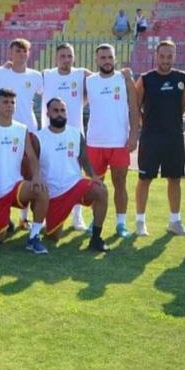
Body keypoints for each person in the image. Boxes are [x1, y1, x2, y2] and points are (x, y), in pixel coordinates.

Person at [0, 89, 49, 254]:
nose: (9, 106)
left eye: (12, 102)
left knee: (42, 191)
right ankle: (2, 220)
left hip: (16, 185)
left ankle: (34, 237)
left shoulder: (21, 129)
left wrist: (36, 177)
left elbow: (32, 157)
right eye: (5, 102)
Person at [134, 40, 185, 236]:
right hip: (151, 138)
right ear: (156, 56)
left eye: (170, 56)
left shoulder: (182, 78)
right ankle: (140, 222)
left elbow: (183, 106)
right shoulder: (146, 78)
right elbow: (134, 106)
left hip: (174, 137)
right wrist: (144, 123)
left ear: (175, 57)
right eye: (162, 56)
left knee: (174, 179)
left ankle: (175, 222)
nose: (166, 60)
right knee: (144, 179)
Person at [37, 98, 110, 251]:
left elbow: (84, 159)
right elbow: (32, 166)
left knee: (101, 191)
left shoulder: (76, 134)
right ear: (47, 113)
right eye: (55, 111)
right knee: (53, 237)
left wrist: (94, 176)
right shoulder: (38, 137)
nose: (59, 114)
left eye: (62, 111)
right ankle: (42, 225)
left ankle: (96, 239)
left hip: (75, 185)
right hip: (53, 193)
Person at [85, 44, 138, 238]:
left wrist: (134, 135)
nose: (107, 61)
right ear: (96, 60)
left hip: (119, 142)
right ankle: (94, 221)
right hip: (95, 142)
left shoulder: (124, 79)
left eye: (110, 57)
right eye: (103, 58)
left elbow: (134, 108)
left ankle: (121, 224)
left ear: (114, 59)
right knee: (96, 186)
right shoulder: (89, 81)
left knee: (120, 183)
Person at [41, 41, 91, 230]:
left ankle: (77, 217)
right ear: (56, 58)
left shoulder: (81, 74)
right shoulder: (46, 75)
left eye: (69, 56)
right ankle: (42, 214)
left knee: (76, 173)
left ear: (74, 58)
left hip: (74, 134)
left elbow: (96, 87)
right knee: (47, 172)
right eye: (62, 56)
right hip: (50, 134)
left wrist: (79, 104)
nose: (66, 59)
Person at [0, 38, 43, 131]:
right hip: (2, 127)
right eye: (18, 51)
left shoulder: (36, 76)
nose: (22, 54)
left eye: (24, 51)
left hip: (28, 127)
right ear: (10, 53)